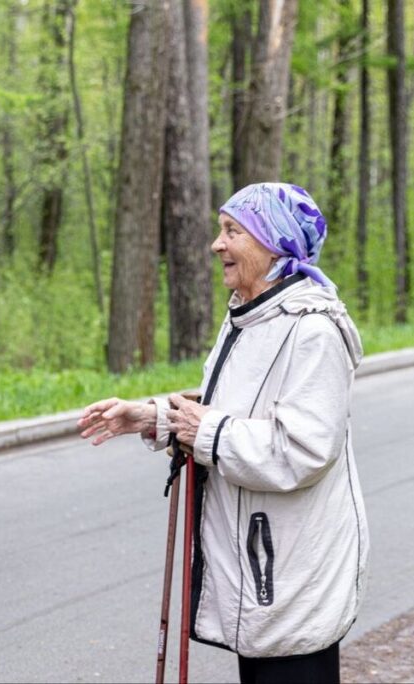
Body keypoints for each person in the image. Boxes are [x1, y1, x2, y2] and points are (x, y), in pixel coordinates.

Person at [78, 183, 368, 684]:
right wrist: (152, 417)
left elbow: (303, 450)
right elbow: (226, 412)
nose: (217, 244)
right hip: (262, 564)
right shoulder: (249, 317)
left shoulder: (312, 331)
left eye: (233, 231)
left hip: (292, 569)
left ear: (272, 243)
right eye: (221, 230)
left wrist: (205, 430)